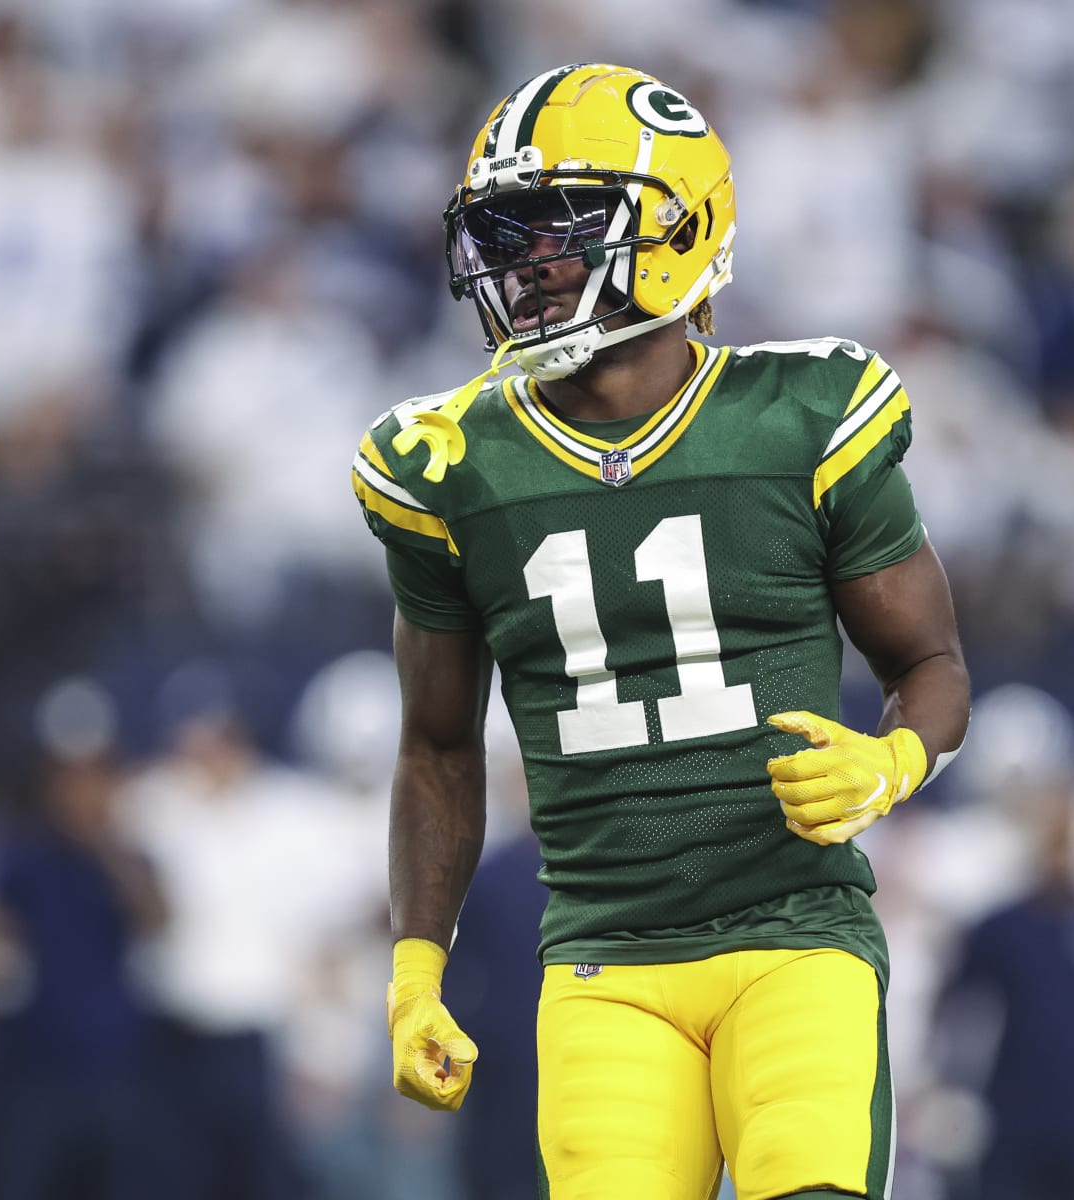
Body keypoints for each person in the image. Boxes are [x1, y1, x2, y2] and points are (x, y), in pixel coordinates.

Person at [350, 65, 971, 1199]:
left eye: (558, 231)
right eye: (505, 232)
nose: (522, 263)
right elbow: (437, 741)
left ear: (676, 232)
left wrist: (895, 761)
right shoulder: (445, 465)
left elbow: (928, 664)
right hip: (603, 961)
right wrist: (413, 970)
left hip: (795, 935)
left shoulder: (802, 419)